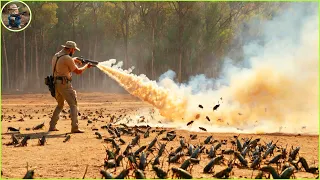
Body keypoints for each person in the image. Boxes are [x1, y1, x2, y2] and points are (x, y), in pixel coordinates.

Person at [49, 41, 92, 133]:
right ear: (71, 49)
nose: (74, 52)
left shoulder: (57, 55)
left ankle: (52, 126)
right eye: (74, 50)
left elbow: (64, 63)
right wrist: (86, 66)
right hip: (64, 84)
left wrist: (75, 59)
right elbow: (78, 71)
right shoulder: (67, 58)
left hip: (56, 83)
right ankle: (74, 127)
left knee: (60, 105)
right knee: (73, 104)